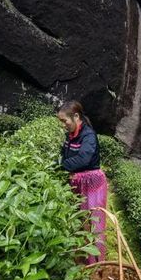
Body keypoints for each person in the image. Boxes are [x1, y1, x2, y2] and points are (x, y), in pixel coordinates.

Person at [57, 100, 108, 264]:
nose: (63, 125)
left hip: (92, 183)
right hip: (77, 183)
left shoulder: (88, 136)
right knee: (79, 221)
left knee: (94, 222)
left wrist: (59, 167)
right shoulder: (70, 135)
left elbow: (84, 159)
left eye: (64, 121)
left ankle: (96, 263)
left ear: (76, 116)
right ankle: (81, 258)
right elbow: (65, 154)